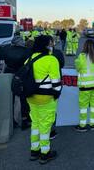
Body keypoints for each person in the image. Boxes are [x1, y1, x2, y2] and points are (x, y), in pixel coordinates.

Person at [26, 35, 62, 164]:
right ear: (47, 45)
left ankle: (34, 150)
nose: (53, 45)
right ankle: (44, 153)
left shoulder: (30, 58)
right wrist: (57, 94)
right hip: (46, 97)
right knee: (45, 126)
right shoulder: (51, 59)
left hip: (31, 97)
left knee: (35, 123)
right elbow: (56, 82)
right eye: (51, 43)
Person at [0, 35, 32, 130]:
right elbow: (28, 65)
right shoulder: (27, 51)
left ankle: (11, 120)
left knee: (10, 99)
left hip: (8, 75)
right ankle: (24, 120)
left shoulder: (6, 49)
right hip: (21, 76)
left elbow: (3, 61)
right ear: (20, 42)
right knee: (23, 99)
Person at [74, 39, 94, 132]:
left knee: (83, 107)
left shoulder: (81, 56)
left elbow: (78, 68)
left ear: (84, 46)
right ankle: (92, 124)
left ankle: (82, 125)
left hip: (85, 86)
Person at [46, 35, 65, 139]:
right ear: (52, 43)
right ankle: (51, 130)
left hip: (40, 84)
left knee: (42, 109)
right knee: (52, 108)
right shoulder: (57, 53)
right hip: (54, 83)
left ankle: (43, 129)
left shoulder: (37, 54)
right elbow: (62, 64)